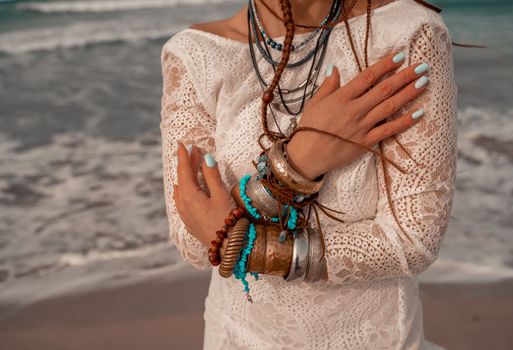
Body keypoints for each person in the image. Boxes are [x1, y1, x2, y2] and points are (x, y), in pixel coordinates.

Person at [159, 0, 457, 348]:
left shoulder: (402, 33)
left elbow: (413, 240)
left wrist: (251, 249)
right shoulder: (196, 54)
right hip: (235, 337)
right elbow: (193, 242)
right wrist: (295, 164)